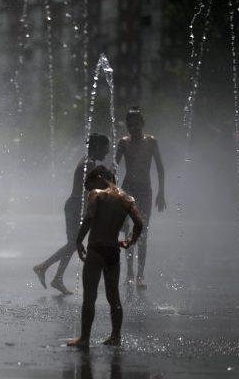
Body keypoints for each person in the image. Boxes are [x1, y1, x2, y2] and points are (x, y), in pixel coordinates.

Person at [67, 165, 143, 348]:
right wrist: (130, 241)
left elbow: (90, 218)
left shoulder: (97, 194)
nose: (89, 189)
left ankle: (84, 338)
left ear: (99, 178)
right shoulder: (127, 199)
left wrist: (78, 241)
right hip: (112, 251)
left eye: (90, 183)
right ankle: (116, 336)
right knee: (113, 297)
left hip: (96, 249)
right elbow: (139, 223)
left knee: (90, 296)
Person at [33, 134, 110, 295]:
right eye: (105, 147)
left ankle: (57, 278)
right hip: (76, 206)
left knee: (73, 244)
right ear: (97, 147)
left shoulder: (89, 161)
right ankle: (43, 267)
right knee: (73, 244)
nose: (107, 151)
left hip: (76, 205)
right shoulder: (89, 164)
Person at [116, 107, 166, 289]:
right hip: (128, 190)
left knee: (143, 233)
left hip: (145, 191)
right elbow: (114, 168)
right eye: (130, 124)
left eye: (136, 123)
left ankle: (141, 274)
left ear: (142, 124)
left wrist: (161, 192)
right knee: (129, 232)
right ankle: (129, 272)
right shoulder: (123, 142)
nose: (133, 127)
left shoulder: (151, 142)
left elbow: (160, 168)